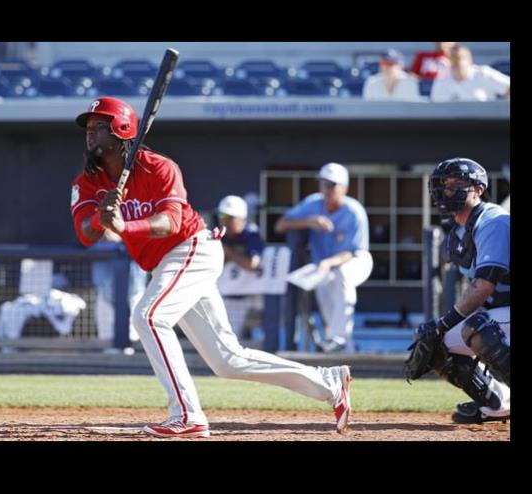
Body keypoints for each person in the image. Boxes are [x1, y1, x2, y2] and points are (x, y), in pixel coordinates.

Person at [70, 97, 352, 438]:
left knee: (148, 316)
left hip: (191, 248)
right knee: (227, 360)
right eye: (87, 128)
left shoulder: (159, 166)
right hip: (163, 265)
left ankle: (186, 413)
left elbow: (171, 222)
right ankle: (328, 382)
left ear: (122, 130)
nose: (90, 134)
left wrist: (125, 226)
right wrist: (102, 219)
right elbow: (85, 234)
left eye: (98, 126)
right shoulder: (88, 182)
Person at [404, 157, 510, 424]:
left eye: (457, 183)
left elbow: (484, 285)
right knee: (435, 344)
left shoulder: (493, 221)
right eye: (444, 184)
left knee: (478, 328)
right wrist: (437, 330)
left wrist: (442, 322)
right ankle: (499, 403)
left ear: (478, 189)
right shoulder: (458, 232)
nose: (447, 190)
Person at [275, 163, 373, 353]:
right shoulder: (313, 203)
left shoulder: (354, 211)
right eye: (323, 184)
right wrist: (309, 221)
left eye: (331, 185)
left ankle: (339, 337)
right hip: (323, 266)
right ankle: (340, 345)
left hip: (355, 260)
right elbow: (280, 225)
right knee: (327, 301)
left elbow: (352, 252)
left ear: (344, 188)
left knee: (342, 275)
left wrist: (328, 263)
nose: (326, 189)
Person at [216, 195, 265, 340]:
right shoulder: (219, 235)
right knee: (228, 339)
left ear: (241, 218)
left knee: (265, 334)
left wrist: (230, 253)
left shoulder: (251, 234)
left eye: (229, 217)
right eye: (222, 215)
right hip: (231, 296)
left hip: (256, 295)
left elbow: (253, 264)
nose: (224, 220)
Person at [89, 229, 146, 344]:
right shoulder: (97, 245)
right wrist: (108, 238)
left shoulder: (137, 237)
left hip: (134, 295)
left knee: (134, 341)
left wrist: (121, 237)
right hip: (105, 295)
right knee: (106, 341)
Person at [430, 45, 511, 102]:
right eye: (452, 59)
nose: (456, 62)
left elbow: (508, 87)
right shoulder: (441, 80)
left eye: (459, 58)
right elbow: (435, 106)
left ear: (470, 60)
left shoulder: (483, 74)